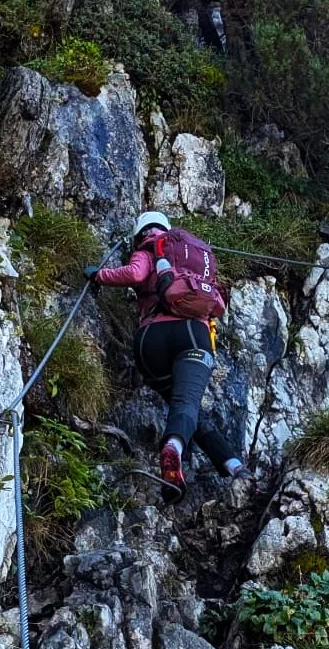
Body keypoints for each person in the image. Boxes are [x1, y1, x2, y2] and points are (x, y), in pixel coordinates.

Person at [92, 209, 243, 497]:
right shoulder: (194, 260)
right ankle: (172, 447)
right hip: (193, 336)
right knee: (187, 404)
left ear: (139, 234)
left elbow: (135, 274)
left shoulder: (148, 249)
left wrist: (98, 275)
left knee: (190, 410)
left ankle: (234, 465)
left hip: (150, 342)